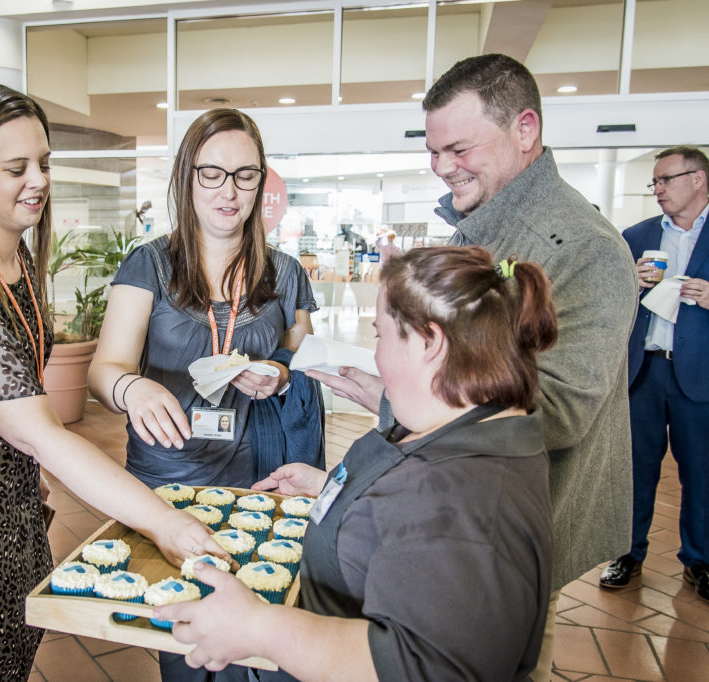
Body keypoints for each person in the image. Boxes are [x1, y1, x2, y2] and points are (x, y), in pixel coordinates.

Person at [308, 53, 638, 679]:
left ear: (525, 129)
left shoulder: (589, 248)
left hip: (508, 523)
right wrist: (391, 387)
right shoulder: (478, 223)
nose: (441, 167)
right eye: (433, 151)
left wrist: (412, 389)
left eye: (458, 148)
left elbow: (561, 413)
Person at [0, 83, 225, 680]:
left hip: (8, 510)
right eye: (16, 168)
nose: (38, 180)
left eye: (43, 163)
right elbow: (41, 432)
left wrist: (26, 479)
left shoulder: (14, 266)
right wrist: (163, 521)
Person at [158, 246, 557, 680]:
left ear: (430, 342)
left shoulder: (466, 500)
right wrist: (334, 488)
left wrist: (260, 628)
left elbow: (419, 667)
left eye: (380, 335)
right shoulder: (453, 429)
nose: (377, 354)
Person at [88, 108, 322, 680]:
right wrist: (133, 386)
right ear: (186, 177)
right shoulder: (149, 264)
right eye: (211, 173)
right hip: (171, 477)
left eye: (245, 175)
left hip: (262, 476)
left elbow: (305, 359)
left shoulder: (285, 273)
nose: (229, 191)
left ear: (261, 181)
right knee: (190, 643)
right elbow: (104, 368)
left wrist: (281, 373)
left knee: (267, 634)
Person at [599, 146, 709, 602]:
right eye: (655, 182)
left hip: (699, 377)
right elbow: (609, 299)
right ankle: (627, 552)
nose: (658, 189)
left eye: (666, 179)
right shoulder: (637, 234)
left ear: (699, 178)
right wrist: (631, 284)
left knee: (701, 473)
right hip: (644, 372)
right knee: (635, 470)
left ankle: (700, 559)